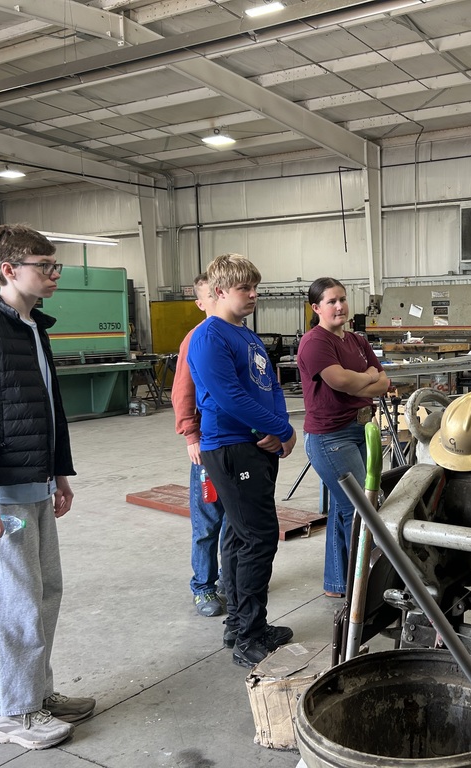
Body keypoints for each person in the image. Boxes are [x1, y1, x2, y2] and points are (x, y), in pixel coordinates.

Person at [0, 224, 95, 750]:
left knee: (44, 593)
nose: (54, 274)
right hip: (2, 491)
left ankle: (36, 693)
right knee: (13, 603)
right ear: (9, 269)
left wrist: (60, 473)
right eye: (45, 265)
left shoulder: (35, 327)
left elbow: (50, 409)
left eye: (55, 265)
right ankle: (11, 712)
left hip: (35, 482)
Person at [187, 253, 297, 668]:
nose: (253, 295)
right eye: (244, 289)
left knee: (238, 534)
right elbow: (228, 398)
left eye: (256, 288)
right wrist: (278, 430)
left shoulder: (245, 335)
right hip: (231, 446)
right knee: (258, 537)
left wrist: (280, 426)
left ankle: (239, 623)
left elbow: (267, 387)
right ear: (218, 292)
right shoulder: (208, 337)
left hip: (256, 445)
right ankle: (250, 636)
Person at [296, 278, 391, 598]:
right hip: (330, 436)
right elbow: (338, 381)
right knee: (363, 509)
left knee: (345, 507)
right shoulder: (314, 342)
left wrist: (360, 382)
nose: (339, 306)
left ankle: (340, 584)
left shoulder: (357, 341)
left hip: (363, 429)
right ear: (316, 308)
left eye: (343, 299)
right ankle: (364, 593)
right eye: (331, 301)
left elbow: (383, 383)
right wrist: (365, 379)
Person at [171, 272, 227, 618]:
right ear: (202, 302)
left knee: (235, 518)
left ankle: (228, 580)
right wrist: (192, 435)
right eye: (212, 295)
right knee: (208, 521)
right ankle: (204, 586)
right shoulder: (195, 340)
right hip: (207, 445)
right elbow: (182, 392)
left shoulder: (237, 335)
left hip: (237, 444)